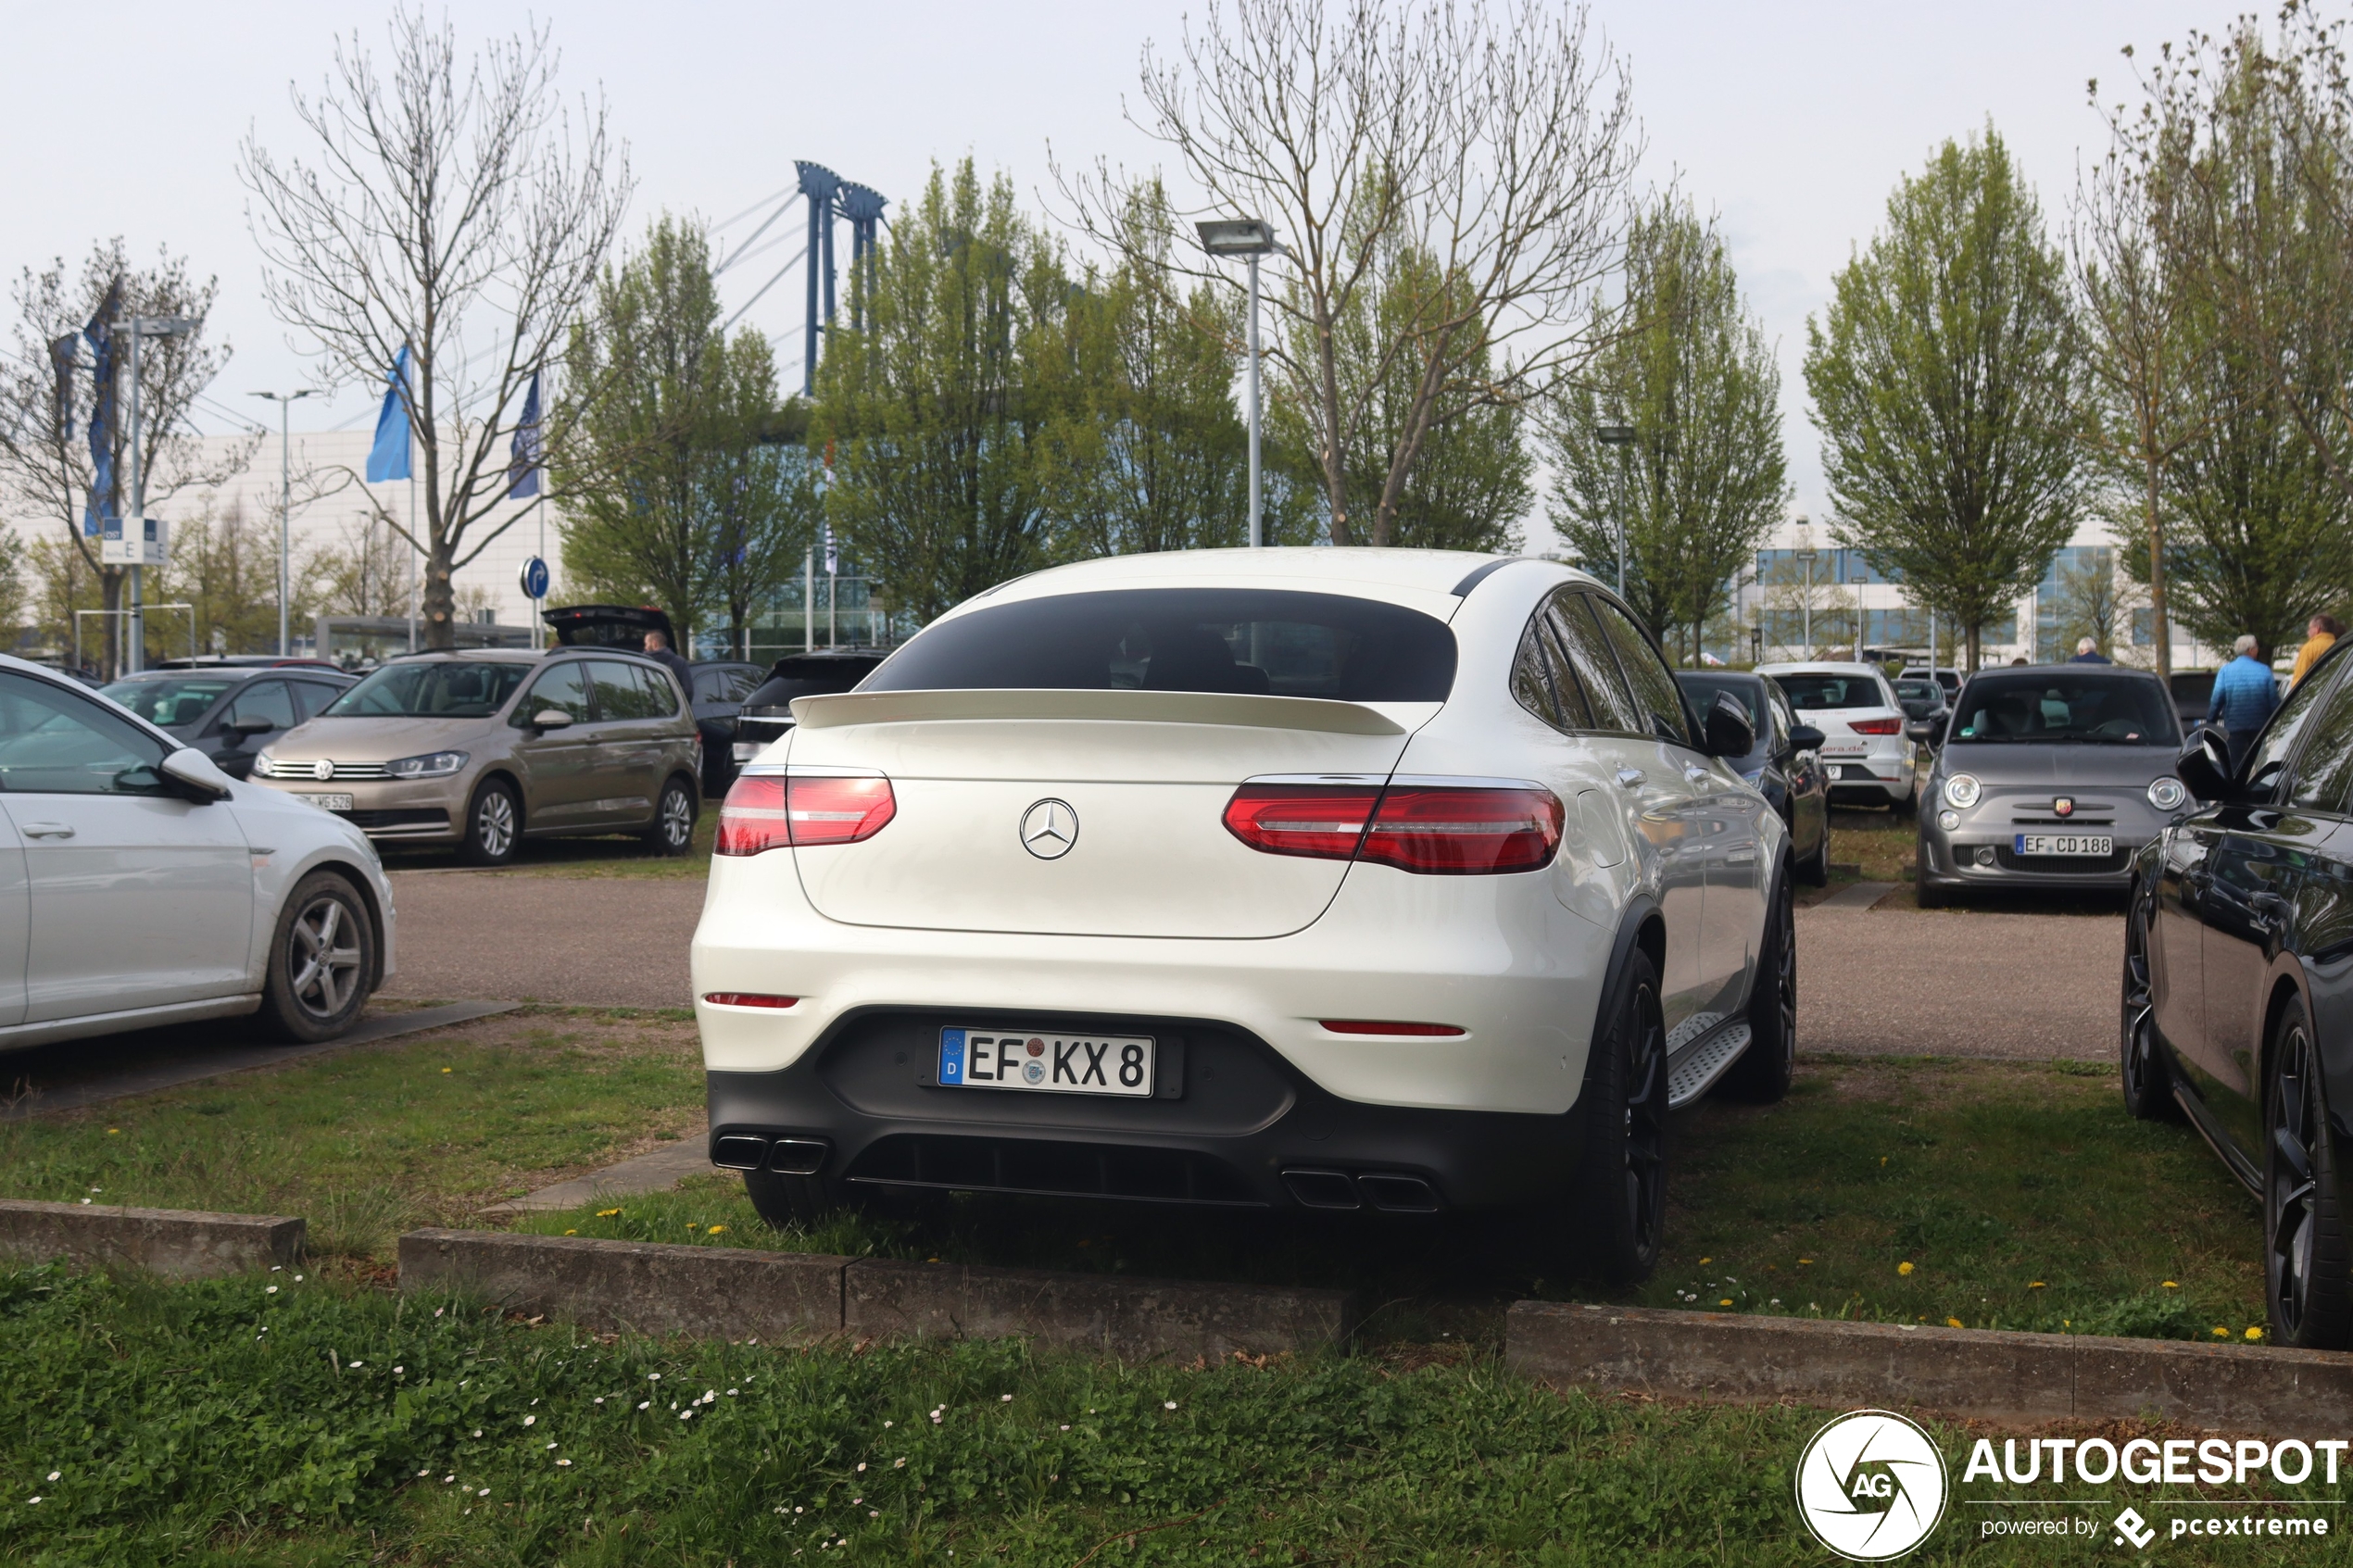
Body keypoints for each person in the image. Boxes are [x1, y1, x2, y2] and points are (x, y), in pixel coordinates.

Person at [2208, 633, 2280, 774]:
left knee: (2234, 764)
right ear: (2251, 650)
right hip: (2260, 727)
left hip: (2234, 726)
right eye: (2256, 647)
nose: (2257, 650)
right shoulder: (2264, 670)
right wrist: (2278, 723)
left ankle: (2234, 792)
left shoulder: (2226, 671)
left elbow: (2217, 699)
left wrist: (2211, 721)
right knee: (2260, 763)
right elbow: (2273, 701)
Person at [2289, 614, 2342, 688]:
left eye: (2309, 628)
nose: (2308, 632)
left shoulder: (2309, 648)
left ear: (2317, 629)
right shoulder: (2340, 646)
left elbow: (2299, 680)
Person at [642, 630, 695, 697]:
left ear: (654, 644)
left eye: (646, 644)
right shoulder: (680, 662)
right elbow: (688, 690)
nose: (645, 648)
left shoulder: (644, 661)